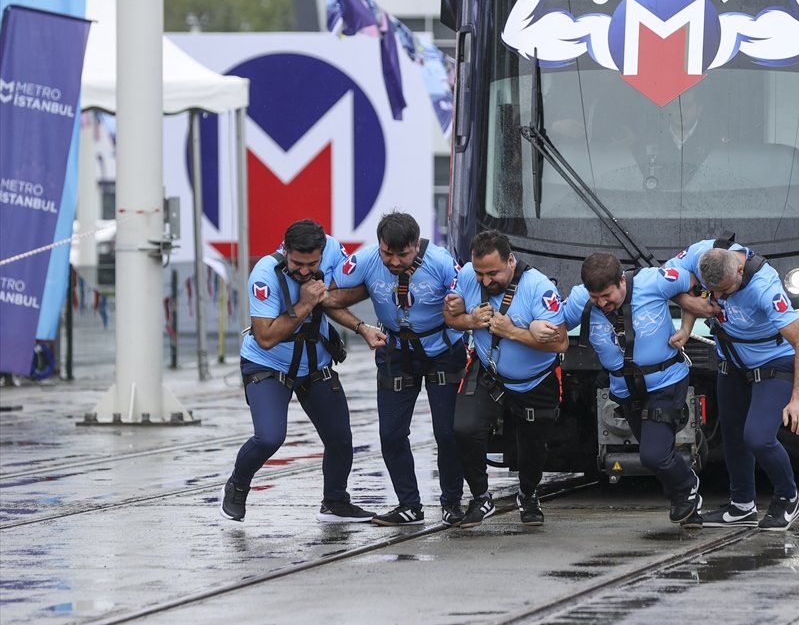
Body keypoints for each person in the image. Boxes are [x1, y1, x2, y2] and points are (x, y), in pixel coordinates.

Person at [220, 219, 378, 524]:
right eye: (297, 264)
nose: (305, 271)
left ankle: (335, 502)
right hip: (268, 364)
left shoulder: (332, 248)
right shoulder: (265, 274)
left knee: (340, 438)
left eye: (313, 264)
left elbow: (353, 290)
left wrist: (361, 327)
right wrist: (306, 304)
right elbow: (265, 337)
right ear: (285, 249)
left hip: (315, 361)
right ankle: (238, 483)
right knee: (269, 437)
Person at [325, 212, 468, 527]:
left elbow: (469, 295)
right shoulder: (366, 259)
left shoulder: (442, 262)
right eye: (387, 253)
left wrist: (462, 309)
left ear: (416, 245)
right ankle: (409, 505)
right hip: (395, 354)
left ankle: (452, 503)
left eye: (402, 254)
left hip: (443, 353)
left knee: (447, 433)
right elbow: (327, 295)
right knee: (390, 434)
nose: (393, 261)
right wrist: (360, 326)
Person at [667, 239, 799, 531]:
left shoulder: (765, 288)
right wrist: (688, 314)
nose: (718, 297)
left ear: (738, 269)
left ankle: (788, 497)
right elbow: (667, 281)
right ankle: (741, 505)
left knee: (758, 437)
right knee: (733, 436)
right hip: (732, 362)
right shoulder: (701, 254)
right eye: (713, 291)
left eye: (724, 290)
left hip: (773, 362)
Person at [558, 252, 703, 528]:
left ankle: (687, 485)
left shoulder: (653, 281)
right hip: (625, 389)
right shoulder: (580, 298)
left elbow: (693, 282)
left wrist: (686, 326)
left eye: (607, 296)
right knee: (654, 454)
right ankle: (686, 505)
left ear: (621, 282)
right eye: (595, 298)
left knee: (653, 454)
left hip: (666, 380)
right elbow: (557, 324)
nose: (602, 304)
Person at [443, 230, 568, 528]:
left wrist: (512, 331)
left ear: (510, 260)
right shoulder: (467, 277)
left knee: (533, 446)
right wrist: (469, 321)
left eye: (493, 273)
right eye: (480, 273)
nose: (485, 281)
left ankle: (528, 494)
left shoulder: (538, 287)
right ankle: (481, 497)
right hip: (490, 375)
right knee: (463, 429)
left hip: (535, 380)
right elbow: (450, 318)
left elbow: (561, 343)